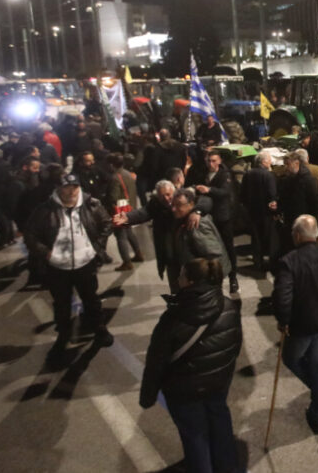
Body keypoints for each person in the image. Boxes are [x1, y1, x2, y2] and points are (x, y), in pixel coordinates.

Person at [140, 258, 244, 473]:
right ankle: (228, 467)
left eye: (181, 275)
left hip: (184, 390)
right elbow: (235, 344)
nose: (178, 279)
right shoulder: (228, 306)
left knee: (195, 435)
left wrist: (147, 395)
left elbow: (156, 362)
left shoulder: (174, 317)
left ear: (190, 282)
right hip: (218, 383)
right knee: (220, 424)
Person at [23, 174, 114, 366]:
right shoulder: (45, 210)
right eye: (67, 187)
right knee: (62, 305)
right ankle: (63, 337)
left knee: (92, 299)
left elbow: (106, 223)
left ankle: (99, 329)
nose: (72, 191)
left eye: (75, 187)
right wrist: (46, 253)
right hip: (58, 267)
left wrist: (96, 247)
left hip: (85, 263)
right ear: (59, 189)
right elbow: (30, 235)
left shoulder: (91, 205)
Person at [273, 214, 318, 435]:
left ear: (297, 235)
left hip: (302, 325)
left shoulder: (289, 261)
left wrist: (283, 320)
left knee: (291, 358)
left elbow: (282, 296)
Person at [114, 180, 208, 292]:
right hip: (170, 255)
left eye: (168, 194)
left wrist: (197, 211)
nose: (166, 199)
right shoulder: (156, 204)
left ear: (174, 191)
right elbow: (144, 212)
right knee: (176, 287)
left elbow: (206, 200)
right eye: (162, 196)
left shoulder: (184, 197)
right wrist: (128, 217)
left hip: (188, 255)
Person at [189, 150, 237, 292]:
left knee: (228, 247)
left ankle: (233, 278)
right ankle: (213, 278)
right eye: (208, 161)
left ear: (219, 161)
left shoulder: (225, 174)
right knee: (210, 249)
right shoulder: (202, 173)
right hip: (208, 216)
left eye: (214, 161)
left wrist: (209, 190)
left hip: (222, 216)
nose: (211, 164)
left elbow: (225, 192)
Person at [169, 189, 230, 294]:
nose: (174, 209)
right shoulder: (183, 220)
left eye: (179, 205)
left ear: (191, 204)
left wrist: (205, 282)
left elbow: (213, 255)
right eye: (173, 205)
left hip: (203, 282)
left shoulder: (196, 224)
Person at [278, 149, 318, 256]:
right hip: (291, 224)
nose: (285, 168)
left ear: (296, 163)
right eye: (284, 164)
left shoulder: (309, 181)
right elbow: (284, 199)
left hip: (305, 227)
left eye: (288, 164)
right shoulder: (287, 180)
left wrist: (314, 225)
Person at [105, 152, 144, 271]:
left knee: (120, 236)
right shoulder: (127, 173)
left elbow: (113, 198)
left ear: (111, 165)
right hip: (130, 208)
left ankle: (127, 262)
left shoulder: (115, 178)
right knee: (129, 232)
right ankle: (138, 254)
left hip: (120, 211)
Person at [241, 150, 279, 271]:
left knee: (256, 238)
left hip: (252, 211)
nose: (270, 163)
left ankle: (257, 262)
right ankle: (271, 263)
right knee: (269, 238)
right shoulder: (268, 175)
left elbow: (242, 193)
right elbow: (272, 194)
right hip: (266, 212)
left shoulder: (247, 174)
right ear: (263, 162)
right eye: (269, 160)